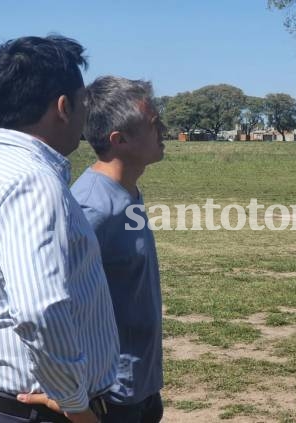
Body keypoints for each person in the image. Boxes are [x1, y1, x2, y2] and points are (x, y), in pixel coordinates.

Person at [0, 35, 118, 423]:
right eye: (84, 104)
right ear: (62, 107)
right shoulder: (33, 182)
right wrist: (76, 405)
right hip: (37, 412)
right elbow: (40, 309)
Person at [71, 76, 166, 422]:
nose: (163, 130)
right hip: (110, 395)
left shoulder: (128, 192)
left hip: (142, 384)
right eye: (154, 124)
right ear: (119, 139)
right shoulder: (91, 209)